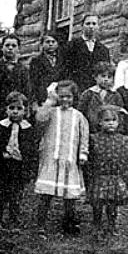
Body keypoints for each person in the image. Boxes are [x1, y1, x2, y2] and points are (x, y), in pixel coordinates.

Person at [34, 80, 89, 235]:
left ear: (74, 98)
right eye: (62, 96)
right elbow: (39, 118)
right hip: (52, 159)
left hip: (69, 160)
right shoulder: (51, 113)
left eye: (68, 97)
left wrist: (83, 153)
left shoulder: (78, 116)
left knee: (69, 197)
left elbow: (84, 136)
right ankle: (40, 225)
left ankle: (68, 224)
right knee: (46, 194)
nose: (65, 99)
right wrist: (49, 101)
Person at [0, 34, 30, 192]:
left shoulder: (23, 70)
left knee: (13, 144)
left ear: (18, 49)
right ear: (2, 47)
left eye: (13, 46)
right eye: (7, 45)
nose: (10, 48)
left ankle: (11, 181)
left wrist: (23, 112)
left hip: (15, 114)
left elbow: (27, 92)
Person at [0, 91, 36, 229]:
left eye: (19, 108)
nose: (15, 111)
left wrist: (28, 166)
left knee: (15, 194)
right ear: (6, 109)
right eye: (12, 108)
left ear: (25, 111)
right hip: (2, 165)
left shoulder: (28, 129)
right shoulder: (0, 126)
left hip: (18, 166)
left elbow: (31, 150)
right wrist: (0, 156)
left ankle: (13, 219)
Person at [87, 106, 128, 237]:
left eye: (114, 120)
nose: (111, 123)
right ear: (100, 122)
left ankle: (111, 226)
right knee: (97, 203)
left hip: (115, 176)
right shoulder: (94, 138)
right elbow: (91, 158)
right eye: (107, 120)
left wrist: (124, 175)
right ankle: (96, 225)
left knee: (112, 203)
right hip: (100, 175)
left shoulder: (123, 139)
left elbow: (127, 159)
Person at [60, 14, 110, 92]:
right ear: (82, 26)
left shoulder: (103, 50)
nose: (91, 26)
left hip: (96, 90)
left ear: (98, 27)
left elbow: (106, 71)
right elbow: (64, 69)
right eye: (88, 23)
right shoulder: (71, 45)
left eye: (94, 24)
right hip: (76, 88)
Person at [78, 62, 127, 134]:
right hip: (92, 130)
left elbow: (120, 113)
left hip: (111, 130)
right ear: (95, 77)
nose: (106, 79)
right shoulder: (88, 94)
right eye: (103, 76)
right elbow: (81, 112)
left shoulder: (116, 95)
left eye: (109, 77)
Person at [29, 32, 63, 113]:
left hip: (59, 96)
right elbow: (33, 82)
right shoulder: (36, 61)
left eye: (53, 42)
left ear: (57, 44)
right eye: (47, 42)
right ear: (42, 44)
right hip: (43, 96)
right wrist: (34, 101)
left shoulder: (62, 60)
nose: (50, 44)